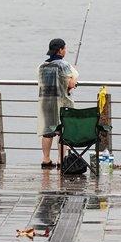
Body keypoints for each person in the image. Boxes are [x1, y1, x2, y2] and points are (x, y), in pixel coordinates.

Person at [38, 38, 77, 169]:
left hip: (46, 103)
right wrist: (73, 80)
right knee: (62, 132)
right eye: (65, 48)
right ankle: (61, 160)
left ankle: (46, 159)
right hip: (61, 104)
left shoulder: (42, 66)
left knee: (47, 132)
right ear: (60, 50)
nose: (65, 50)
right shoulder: (63, 65)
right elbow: (70, 84)